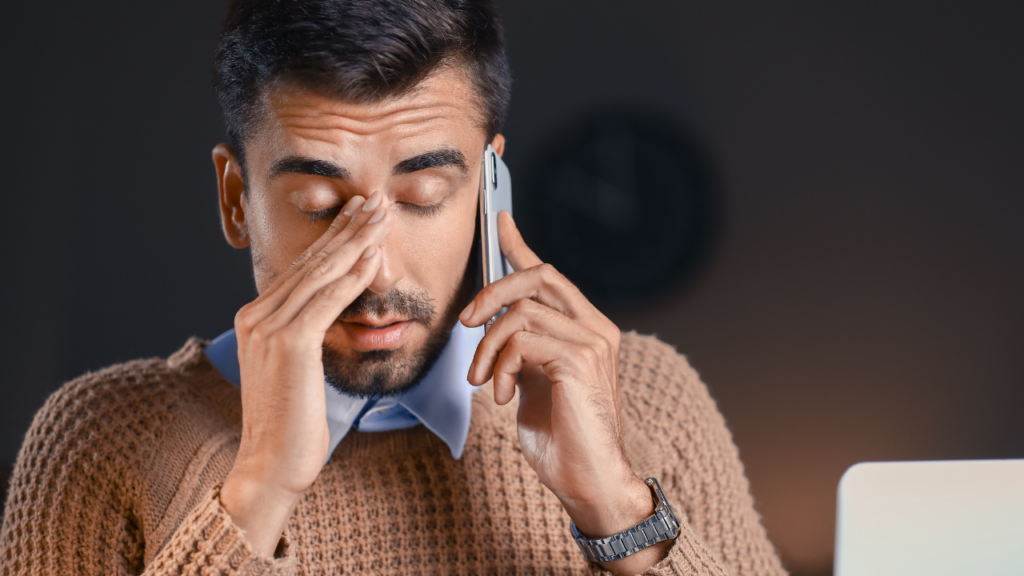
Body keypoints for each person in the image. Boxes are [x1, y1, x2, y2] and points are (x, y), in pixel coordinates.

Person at [0, 1, 787, 574]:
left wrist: (618, 509)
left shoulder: (647, 395)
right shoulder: (98, 441)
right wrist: (258, 490)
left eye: (422, 198)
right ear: (237, 200)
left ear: (489, 188)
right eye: (319, 207)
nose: (375, 270)